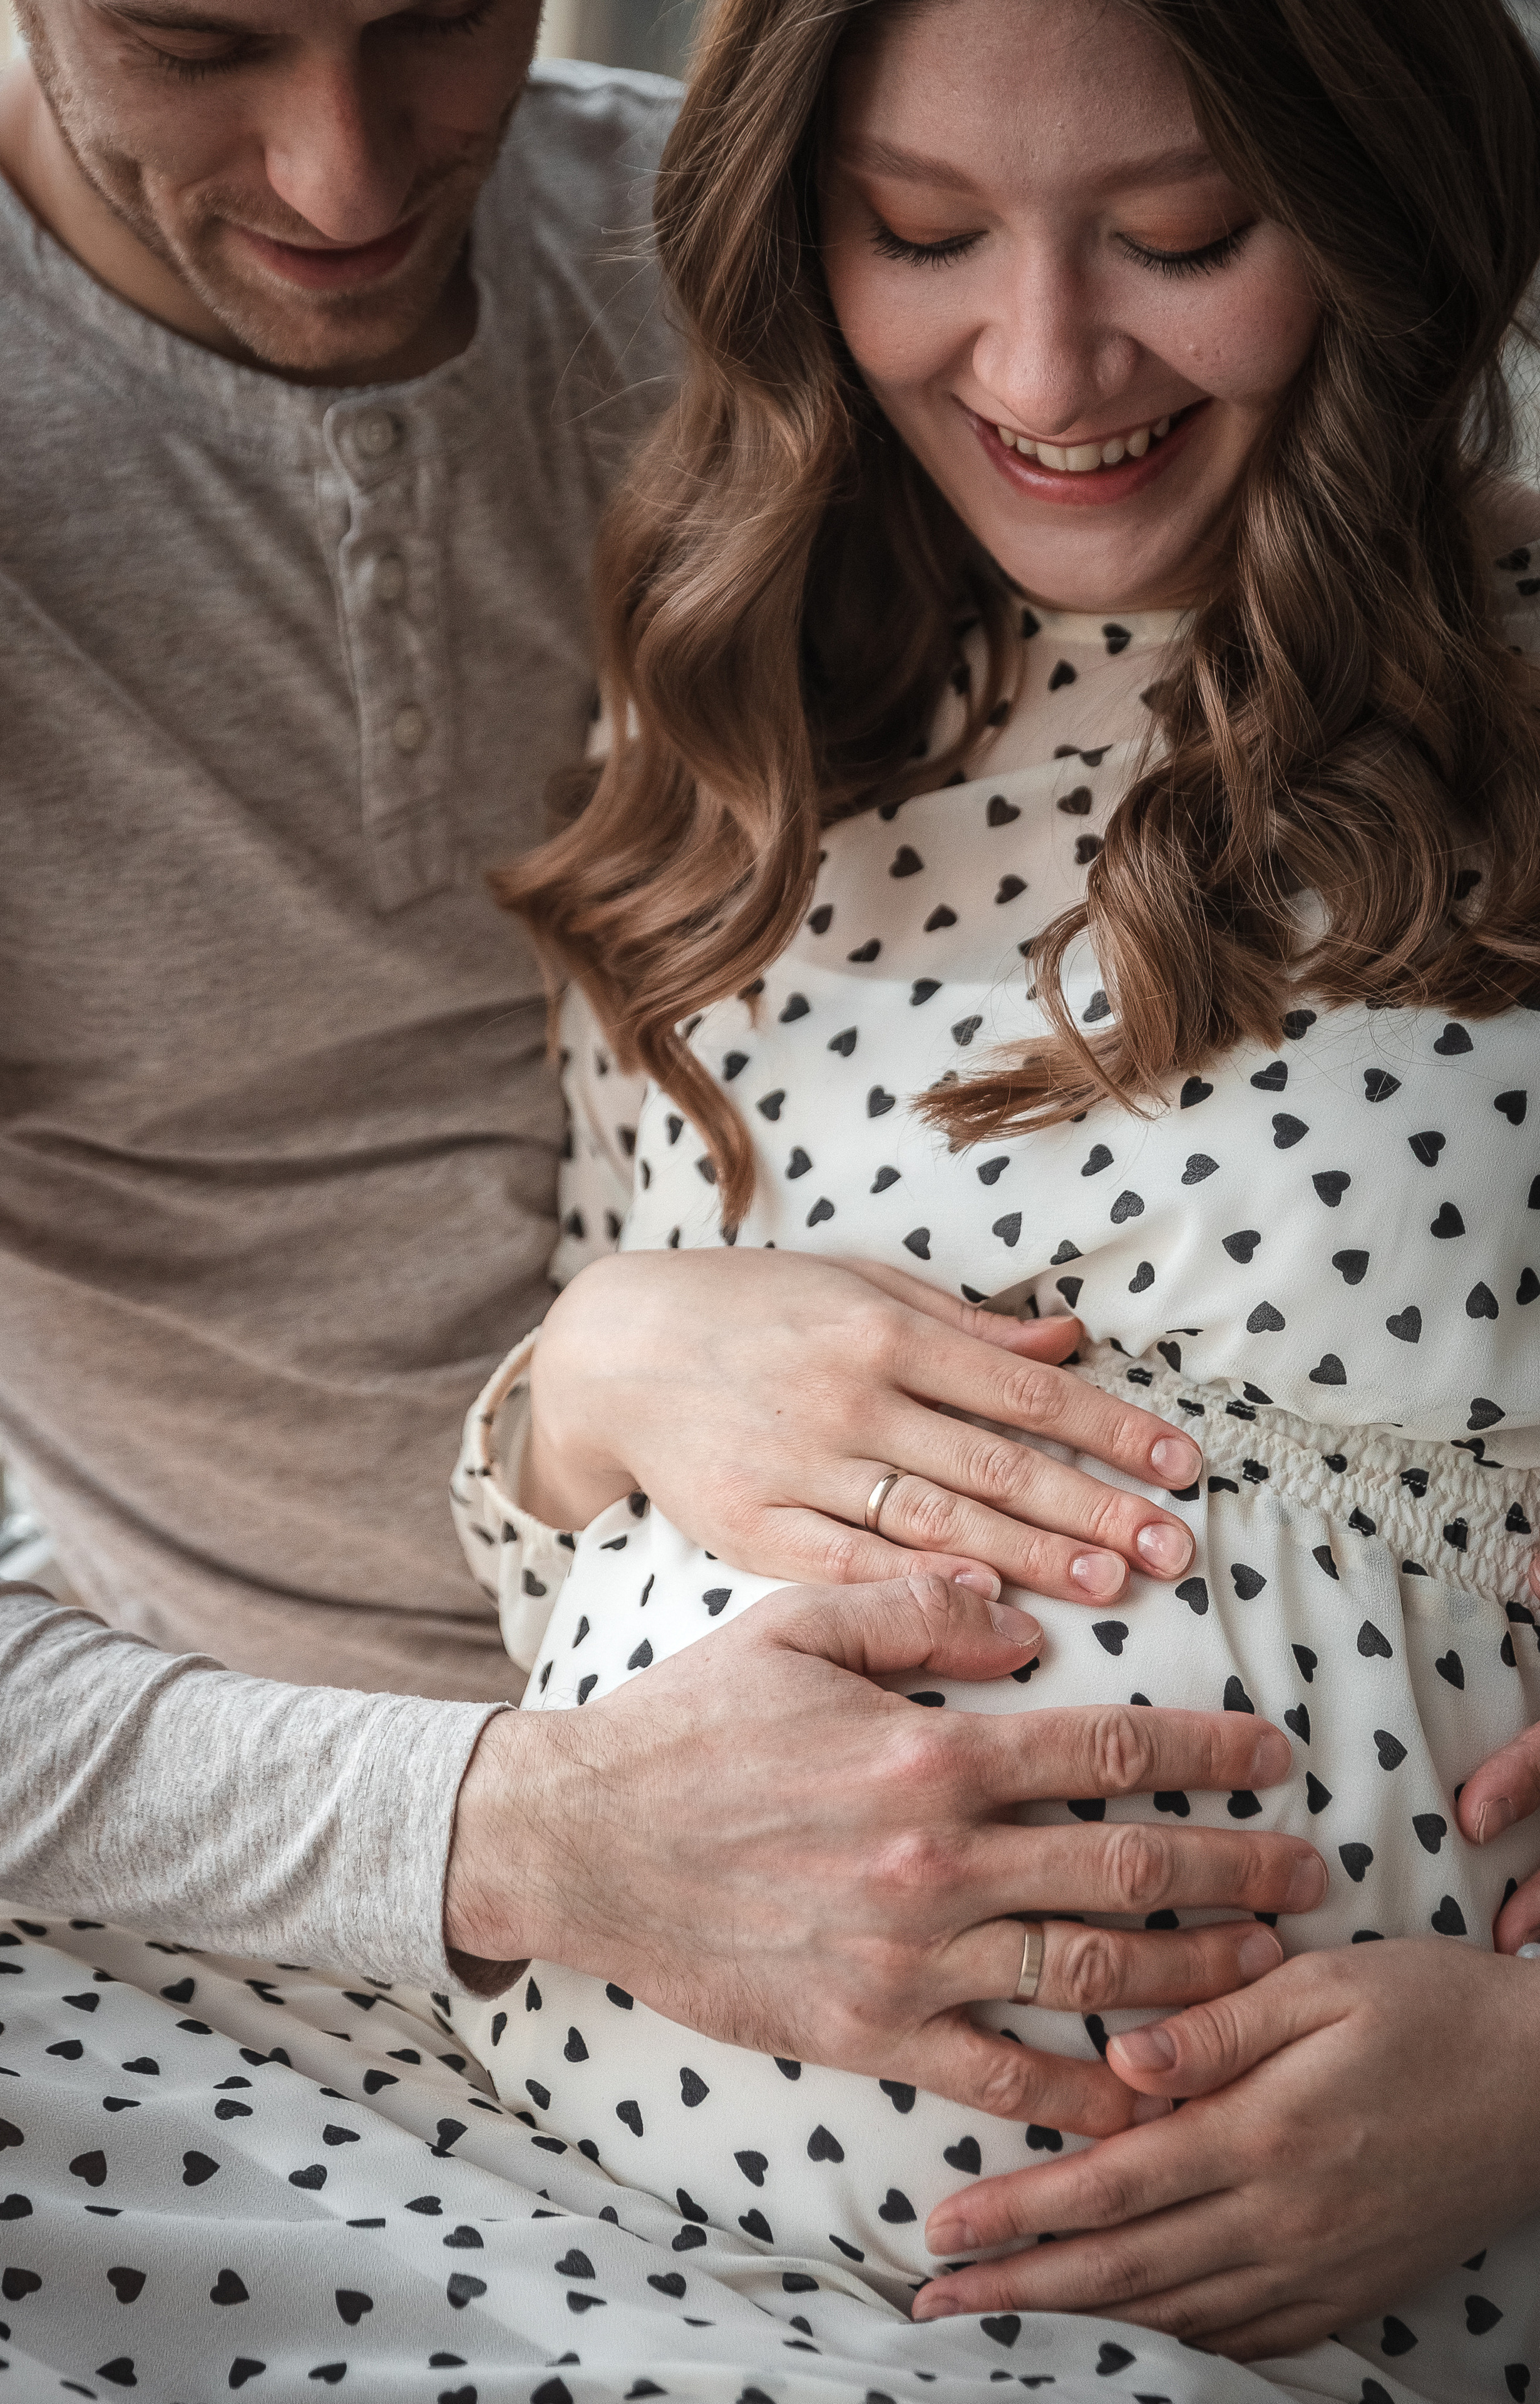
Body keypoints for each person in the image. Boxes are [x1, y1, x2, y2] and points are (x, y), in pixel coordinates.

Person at [0, 6, 1350, 2395]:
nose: (342, 168)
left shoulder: (794, 257)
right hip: (288, 1898)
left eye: (436, 18)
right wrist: (529, 1830)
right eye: (199, 40)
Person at [426, 0, 1540, 2393]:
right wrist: (593, 1380)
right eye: (921, 232)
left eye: (1182, 235)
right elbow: (561, 1589)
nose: (1049, 358)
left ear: (1383, 215)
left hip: (1279, 2315)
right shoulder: (749, 722)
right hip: (529, 2191)